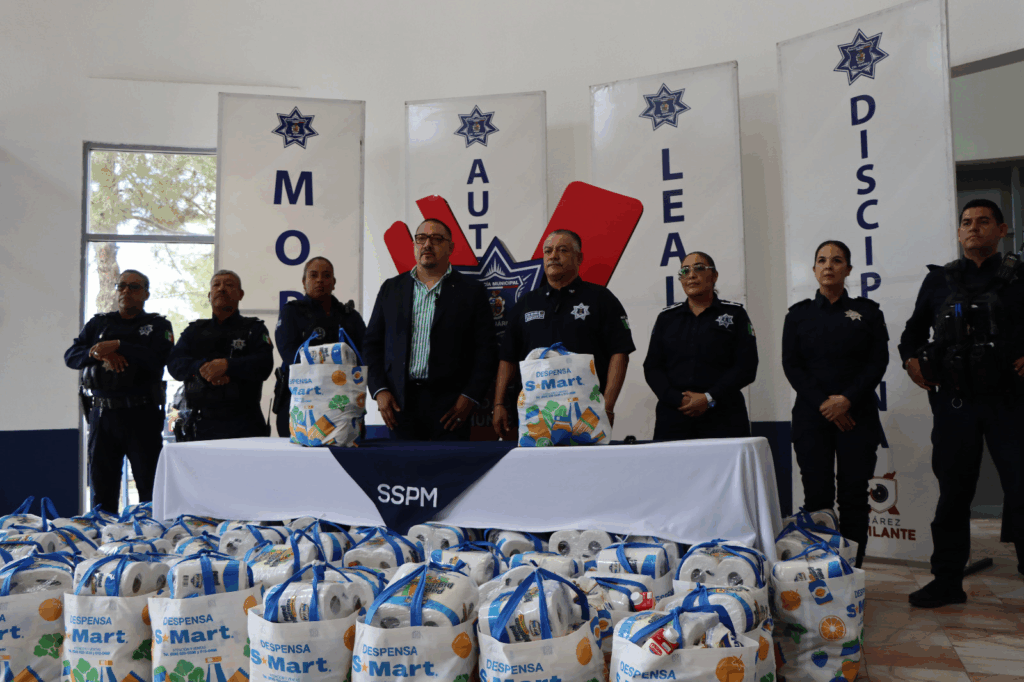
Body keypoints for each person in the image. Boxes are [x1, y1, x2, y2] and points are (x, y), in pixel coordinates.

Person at [900, 198, 1024, 607]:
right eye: (967, 222)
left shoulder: (1020, 276)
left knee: (1021, 488)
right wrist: (911, 361)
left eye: (983, 221)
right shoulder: (939, 281)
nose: (974, 228)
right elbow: (912, 333)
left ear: (1001, 230)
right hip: (956, 403)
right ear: (958, 232)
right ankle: (947, 581)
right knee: (953, 495)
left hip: (1011, 401)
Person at [782, 240, 888, 568]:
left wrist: (846, 400)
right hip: (812, 419)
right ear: (814, 269)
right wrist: (826, 404)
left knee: (854, 498)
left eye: (837, 260)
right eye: (822, 260)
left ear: (849, 269)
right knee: (818, 500)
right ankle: (822, 570)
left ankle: (852, 570)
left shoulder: (868, 312)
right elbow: (792, 366)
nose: (829, 265)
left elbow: (878, 361)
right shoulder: (798, 315)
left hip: (857, 416)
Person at [363, 219, 497, 440]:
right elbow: (371, 345)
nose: (427, 244)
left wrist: (470, 397)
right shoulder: (391, 288)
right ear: (414, 246)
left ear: (450, 248)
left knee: (451, 464)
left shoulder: (471, 291)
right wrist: (379, 390)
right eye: (421, 239)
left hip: (452, 409)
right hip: (399, 406)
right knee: (403, 463)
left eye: (436, 239)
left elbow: (486, 350)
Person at [494, 229, 635, 439]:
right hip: (536, 419)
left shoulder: (601, 299)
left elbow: (620, 353)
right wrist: (499, 403)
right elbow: (508, 357)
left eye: (562, 250)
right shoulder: (526, 303)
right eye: (548, 251)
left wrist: (607, 406)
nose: (553, 256)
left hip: (587, 415)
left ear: (579, 258)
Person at [64, 269, 172, 513]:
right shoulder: (99, 324)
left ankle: (152, 533)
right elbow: (71, 356)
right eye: (121, 286)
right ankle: (104, 534)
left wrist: (119, 345)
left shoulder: (157, 325)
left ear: (146, 294)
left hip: (142, 414)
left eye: (134, 287)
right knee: (102, 490)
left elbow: (157, 358)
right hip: (103, 416)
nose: (126, 291)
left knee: (150, 487)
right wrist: (96, 352)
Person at [643, 251, 757, 440]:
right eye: (685, 271)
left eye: (699, 268)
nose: (691, 275)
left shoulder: (735, 315)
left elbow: (747, 367)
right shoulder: (667, 318)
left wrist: (709, 398)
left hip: (724, 417)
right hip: (674, 417)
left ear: (714, 276)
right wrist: (678, 399)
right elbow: (652, 367)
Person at [167, 270, 274, 441]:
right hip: (201, 424)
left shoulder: (254, 329)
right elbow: (174, 364)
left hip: (245, 424)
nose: (221, 288)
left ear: (240, 294)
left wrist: (228, 366)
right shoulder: (194, 331)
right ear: (209, 295)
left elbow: (264, 364)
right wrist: (202, 369)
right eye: (216, 285)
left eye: (229, 285)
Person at [273, 256, 366, 438]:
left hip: (342, 404)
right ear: (304, 281)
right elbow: (289, 354)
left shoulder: (349, 316)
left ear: (334, 282)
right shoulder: (292, 312)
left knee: (345, 451)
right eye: (313, 275)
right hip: (301, 402)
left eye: (326, 275)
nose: (320, 280)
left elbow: (365, 355)